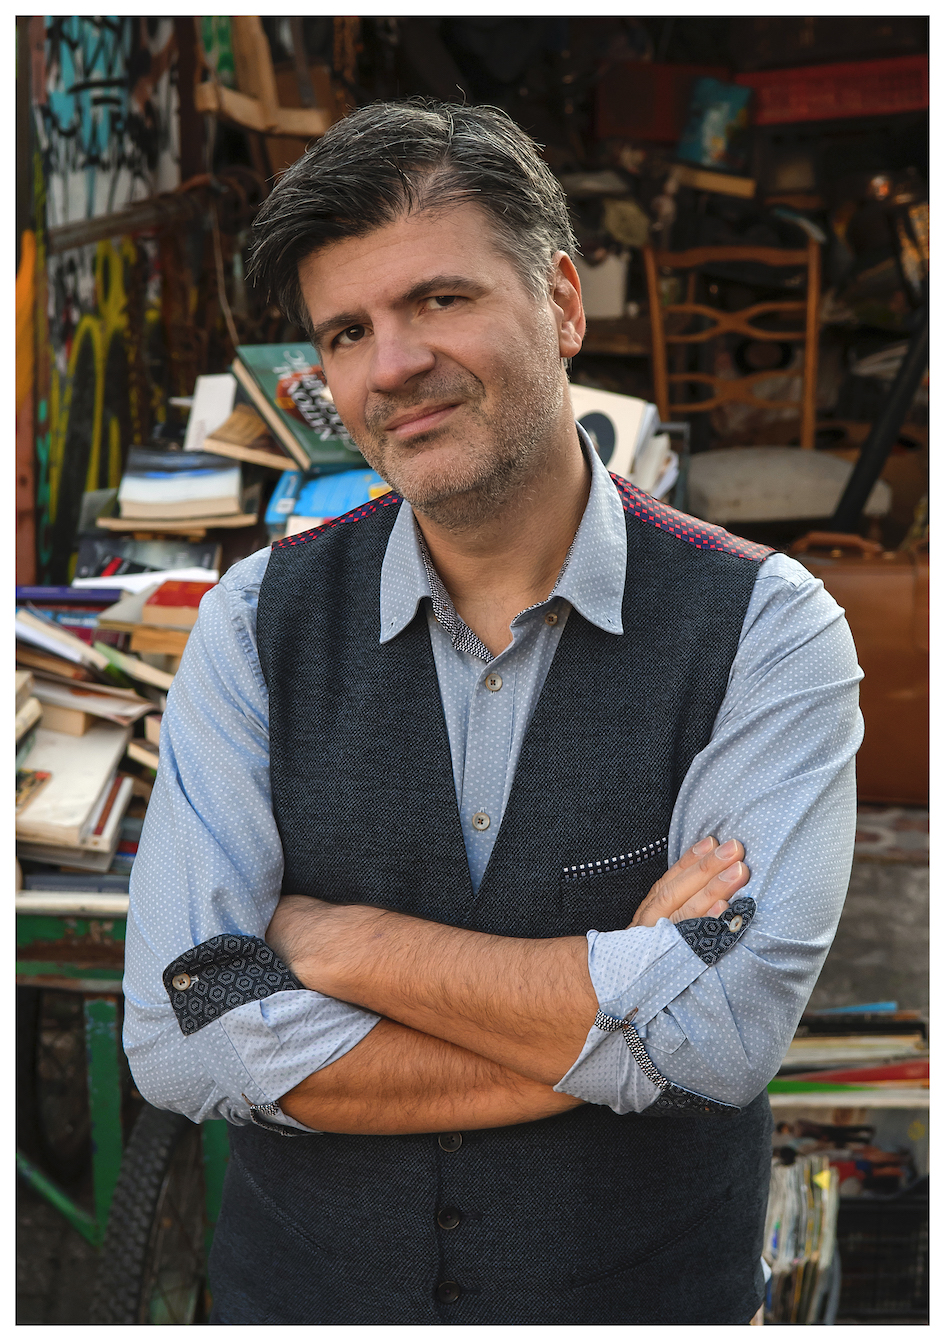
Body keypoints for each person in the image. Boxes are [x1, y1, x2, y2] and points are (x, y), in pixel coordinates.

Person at [123, 101, 862, 1326]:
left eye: (440, 299)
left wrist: (344, 946)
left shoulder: (768, 629)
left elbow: (725, 1035)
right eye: (347, 332)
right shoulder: (252, 623)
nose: (391, 365)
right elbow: (178, 1035)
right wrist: (618, 1018)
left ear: (563, 302)